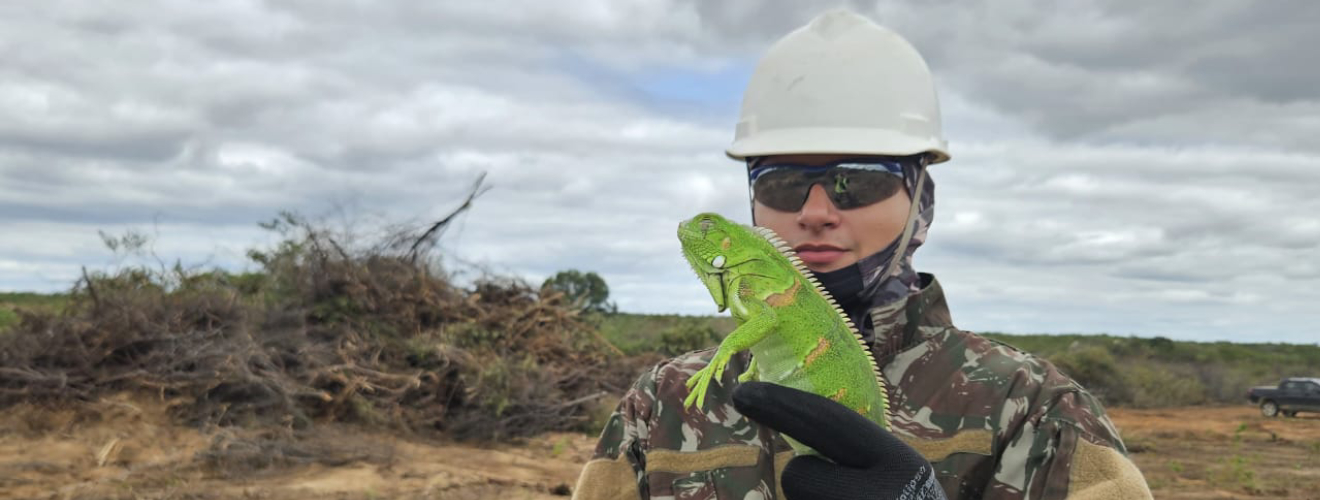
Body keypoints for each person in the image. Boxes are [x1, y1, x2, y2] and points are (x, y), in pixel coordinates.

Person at [572, 9, 1152, 500]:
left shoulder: (1032, 406)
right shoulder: (663, 400)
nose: (816, 211)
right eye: (780, 183)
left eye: (858, 181)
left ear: (920, 202)